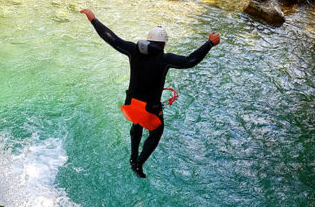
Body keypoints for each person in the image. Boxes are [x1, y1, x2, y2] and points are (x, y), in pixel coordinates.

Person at [80, 9, 220, 178]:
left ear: (148, 40)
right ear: (163, 44)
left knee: (136, 122)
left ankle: (132, 157)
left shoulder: (133, 50)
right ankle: (138, 164)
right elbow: (190, 61)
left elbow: (110, 38)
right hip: (149, 111)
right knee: (156, 132)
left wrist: (93, 19)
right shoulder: (165, 59)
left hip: (130, 107)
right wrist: (209, 43)